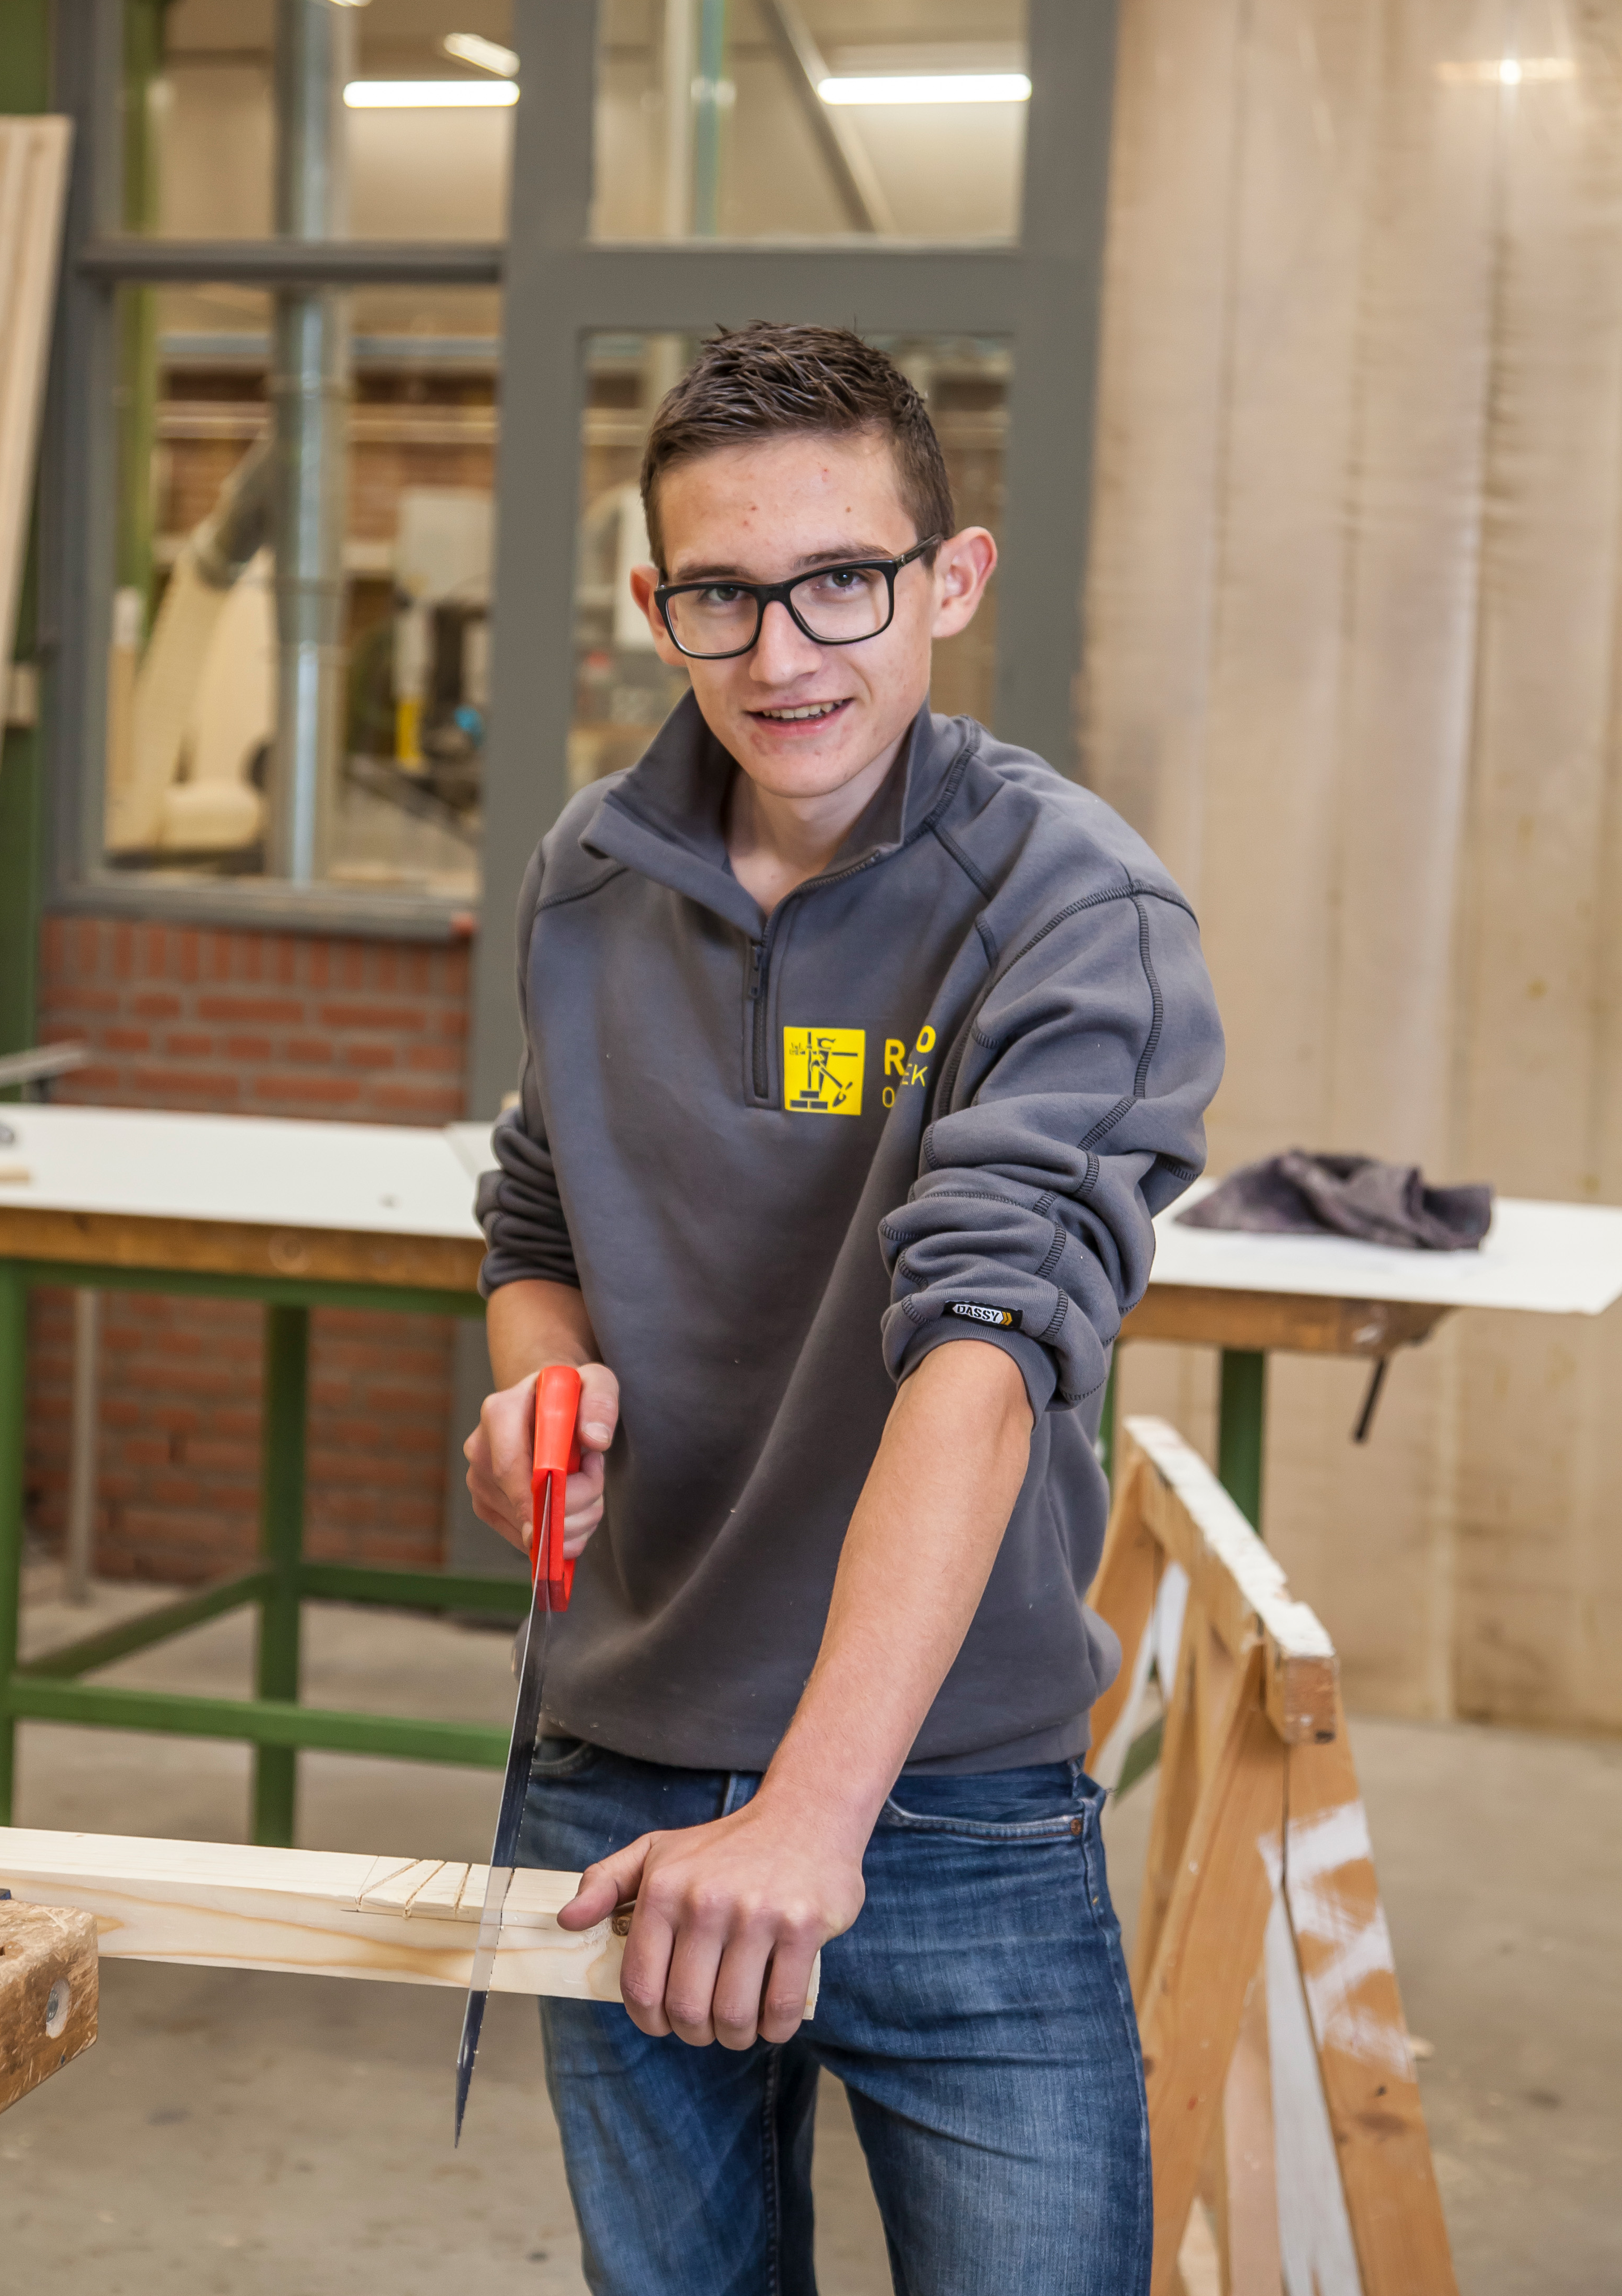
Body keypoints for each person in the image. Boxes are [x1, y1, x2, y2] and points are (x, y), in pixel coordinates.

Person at [467, 324, 1223, 2296]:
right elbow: (534, 1212)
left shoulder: (1076, 911)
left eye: (843, 584)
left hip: (945, 1808)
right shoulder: (589, 873)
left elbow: (984, 1359)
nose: (785, 653)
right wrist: (540, 1387)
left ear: (947, 584)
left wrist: (815, 1822)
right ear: (657, 607)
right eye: (724, 593)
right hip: (617, 1773)